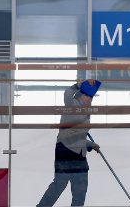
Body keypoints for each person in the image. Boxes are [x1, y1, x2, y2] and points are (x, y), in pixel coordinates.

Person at [37, 79, 102, 207]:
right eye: (86, 95)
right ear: (79, 97)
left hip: (80, 153)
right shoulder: (72, 106)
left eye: (91, 97)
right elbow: (67, 93)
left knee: (81, 188)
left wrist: (90, 145)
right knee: (60, 184)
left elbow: (78, 136)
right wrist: (79, 85)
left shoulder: (87, 114)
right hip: (65, 150)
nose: (89, 98)